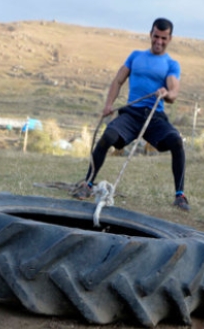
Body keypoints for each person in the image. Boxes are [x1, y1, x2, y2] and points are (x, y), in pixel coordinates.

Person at [72, 17, 189, 211]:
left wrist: (166, 93)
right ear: (150, 34)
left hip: (154, 117)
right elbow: (118, 81)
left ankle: (180, 195)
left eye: (163, 38)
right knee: (108, 136)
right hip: (131, 114)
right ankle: (87, 184)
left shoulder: (171, 64)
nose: (159, 41)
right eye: (156, 36)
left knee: (176, 141)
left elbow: (174, 92)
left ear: (170, 39)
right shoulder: (135, 57)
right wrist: (109, 105)